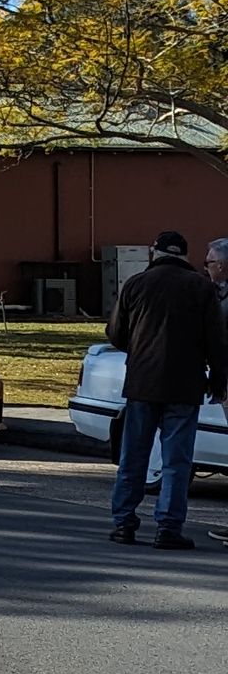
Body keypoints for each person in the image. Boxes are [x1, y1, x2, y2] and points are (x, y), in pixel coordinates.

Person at [106, 228, 228, 550]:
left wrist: (140, 346)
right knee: (177, 460)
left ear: (154, 252)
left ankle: (124, 523)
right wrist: (218, 381)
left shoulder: (135, 284)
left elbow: (116, 333)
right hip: (185, 385)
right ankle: (168, 527)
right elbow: (217, 342)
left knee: (134, 455)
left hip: (142, 383)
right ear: (185, 256)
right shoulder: (201, 288)